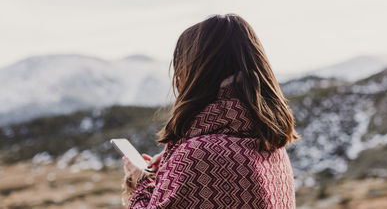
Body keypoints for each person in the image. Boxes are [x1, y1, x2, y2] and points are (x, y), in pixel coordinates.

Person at [122, 14, 300, 208]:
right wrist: (170, 167)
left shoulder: (199, 156)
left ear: (194, 75)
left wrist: (142, 182)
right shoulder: (273, 147)